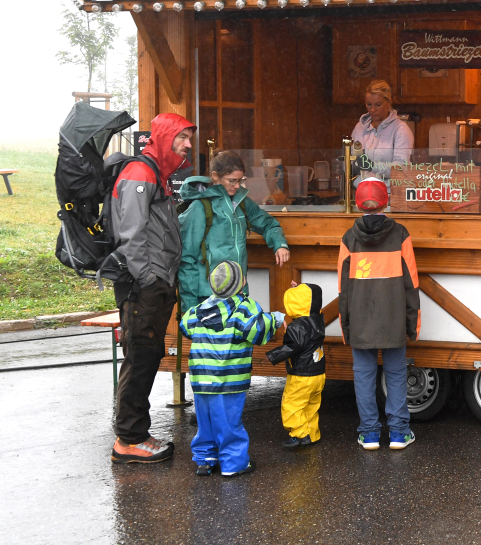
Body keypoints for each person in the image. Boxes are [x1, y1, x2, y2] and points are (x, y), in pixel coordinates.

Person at [110, 112, 195, 464]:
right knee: (141, 356)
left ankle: (135, 434)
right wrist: (150, 279)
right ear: (163, 137)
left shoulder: (156, 174)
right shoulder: (140, 174)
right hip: (145, 286)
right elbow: (130, 235)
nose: (187, 145)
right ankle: (128, 440)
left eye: (189, 138)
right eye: (181, 138)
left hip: (156, 283)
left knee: (146, 355)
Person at [338, 177, 420, 450]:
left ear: (359, 203)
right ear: (386, 200)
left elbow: (344, 288)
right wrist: (413, 324)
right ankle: (399, 433)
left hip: (360, 320)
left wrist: (345, 327)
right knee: (396, 375)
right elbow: (411, 284)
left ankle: (369, 433)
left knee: (363, 376)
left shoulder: (349, 238)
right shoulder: (401, 234)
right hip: (394, 318)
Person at [179, 260, 283, 476]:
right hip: (229, 380)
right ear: (242, 283)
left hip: (201, 379)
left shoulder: (199, 309)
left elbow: (185, 326)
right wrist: (275, 319)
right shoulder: (244, 307)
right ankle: (233, 464)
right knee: (228, 422)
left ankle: (205, 459)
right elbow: (258, 332)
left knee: (205, 422)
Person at [177, 151, 291, 313]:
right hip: (208, 297)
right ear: (215, 176)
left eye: (240, 180)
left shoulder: (241, 202)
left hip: (238, 293)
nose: (237, 186)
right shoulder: (200, 207)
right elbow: (187, 260)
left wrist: (279, 244)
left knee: (239, 338)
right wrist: (189, 308)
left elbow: (268, 223)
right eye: (232, 181)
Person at [266, 282, 326, 448]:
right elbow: (312, 299)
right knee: (311, 406)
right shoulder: (318, 318)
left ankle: (300, 434)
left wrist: (272, 356)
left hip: (302, 375)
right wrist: (302, 288)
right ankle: (313, 434)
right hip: (319, 373)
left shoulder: (296, 326)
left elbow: (291, 347)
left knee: (291, 405)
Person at [351, 79, 413, 181]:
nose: (373, 110)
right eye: (369, 104)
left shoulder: (401, 129)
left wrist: (371, 166)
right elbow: (350, 160)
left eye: (378, 105)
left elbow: (401, 169)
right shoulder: (360, 127)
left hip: (389, 193)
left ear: (389, 102)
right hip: (362, 191)